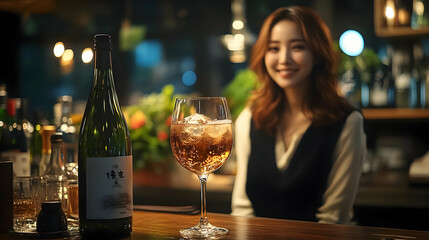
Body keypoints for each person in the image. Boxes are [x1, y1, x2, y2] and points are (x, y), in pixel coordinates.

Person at [231, 6, 366, 224]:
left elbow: (333, 219)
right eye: (273, 48)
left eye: (298, 47)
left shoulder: (347, 122)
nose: (284, 59)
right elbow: (242, 209)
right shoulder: (249, 117)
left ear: (317, 53)